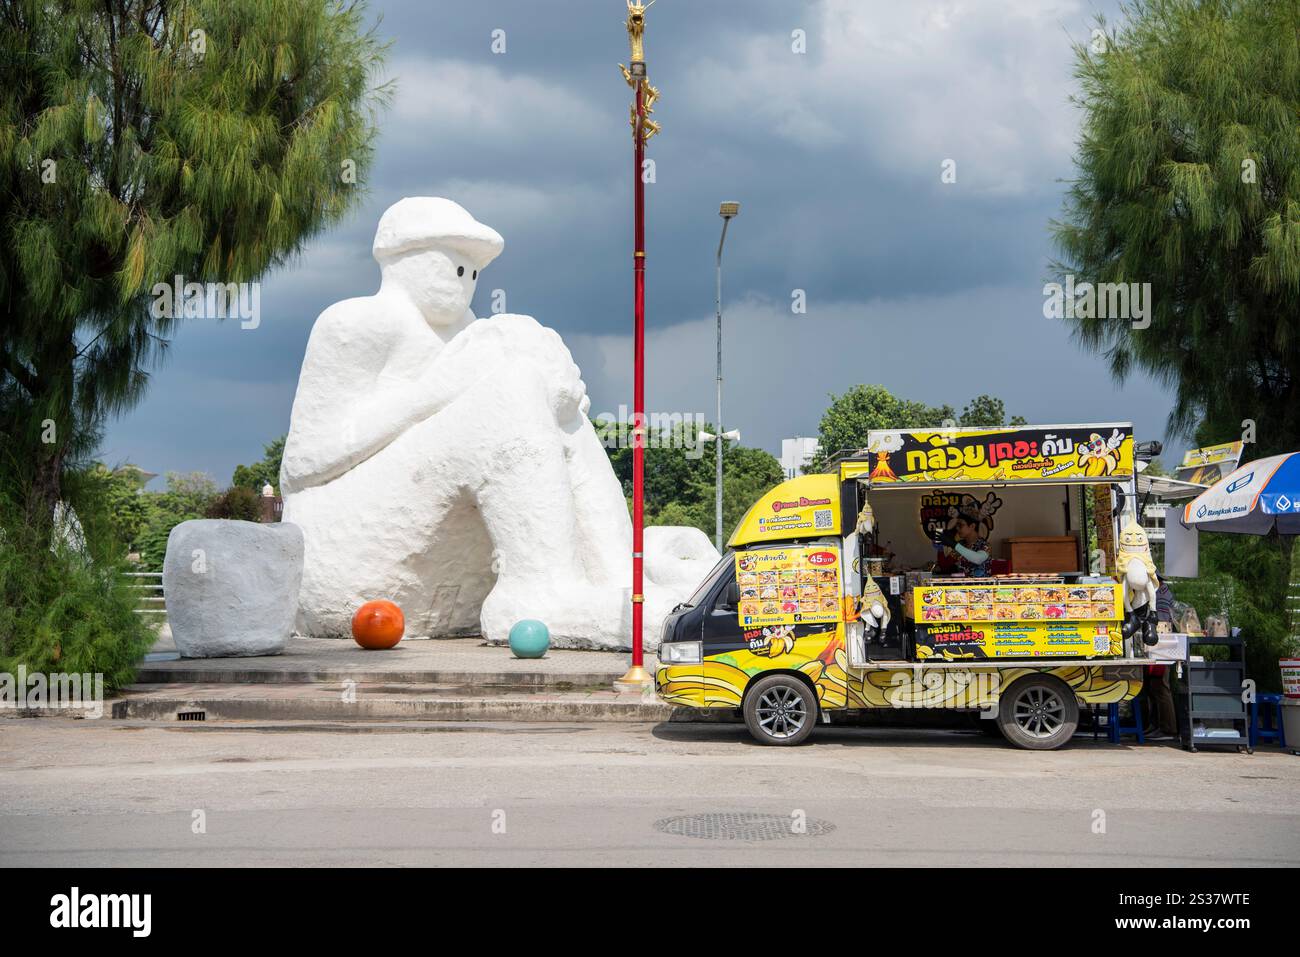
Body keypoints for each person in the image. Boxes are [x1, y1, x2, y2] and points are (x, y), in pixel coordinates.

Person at [934, 509, 991, 577]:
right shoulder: (961, 544)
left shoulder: (985, 545)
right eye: (957, 525)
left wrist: (953, 544)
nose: (957, 528)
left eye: (960, 525)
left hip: (980, 586)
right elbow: (945, 566)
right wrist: (940, 550)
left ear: (972, 526)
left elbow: (978, 559)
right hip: (962, 586)